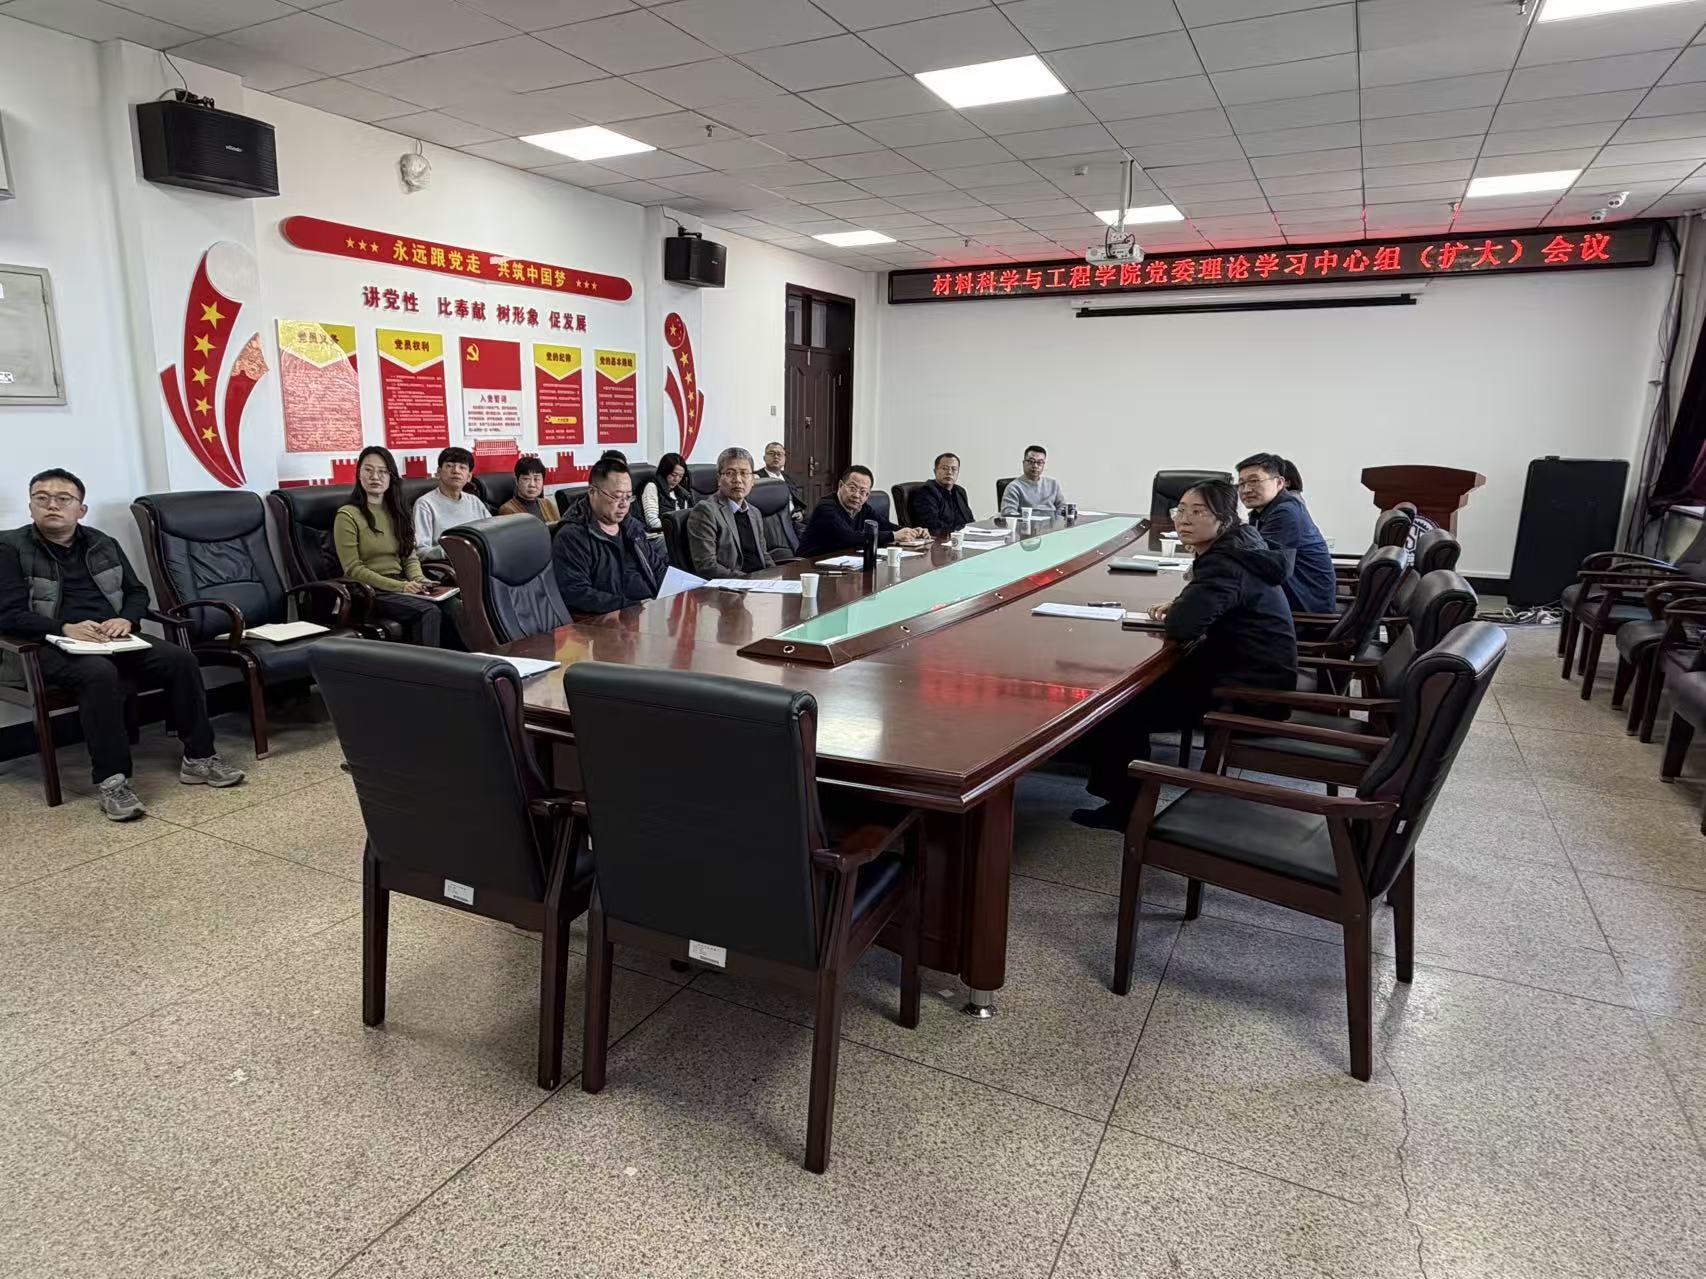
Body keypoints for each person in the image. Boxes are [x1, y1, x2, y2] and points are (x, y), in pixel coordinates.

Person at [0, 468, 245, 820]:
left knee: (180, 659)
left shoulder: (102, 543)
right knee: (98, 673)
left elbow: (136, 592)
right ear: (30, 506)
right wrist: (64, 627)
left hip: (111, 636)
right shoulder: (9, 548)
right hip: (47, 643)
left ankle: (199, 758)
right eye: (42, 498)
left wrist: (126, 620)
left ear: (81, 509)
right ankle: (112, 780)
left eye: (63, 499)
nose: (52, 505)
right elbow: (8, 615)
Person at [1072, 479, 1298, 830]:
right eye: (1180, 510)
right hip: (1255, 671)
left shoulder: (1225, 562)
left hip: (1246, 690)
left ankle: (1125, 808)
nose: (1184, 520)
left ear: (1224, 519)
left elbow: (1183, 626)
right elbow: (1207, 606)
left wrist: (1183, 608)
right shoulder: (1243, 544)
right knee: (1131, 693)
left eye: (1198, 512)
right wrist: (1184, 602)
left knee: (1119, 706)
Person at [333, 445, 455, 648]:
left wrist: (419, 579)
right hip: (369, 591)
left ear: (391, 477)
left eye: (382, 471)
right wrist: (402, 587)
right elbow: (353, 569)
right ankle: (428, 667)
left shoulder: (398, 512)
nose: (375, 477)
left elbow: (409, 556)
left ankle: (465, 662)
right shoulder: (347, 515)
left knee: (452, 605)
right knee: (428, 611)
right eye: (368, 470)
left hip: (400, 584)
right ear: (359, 474)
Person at [552, 457, 669, 616]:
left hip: (649, 611)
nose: (624, 504)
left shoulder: (632, 526)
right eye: (617, 496)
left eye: (628, 497)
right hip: (611, 620)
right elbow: (575, 592)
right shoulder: (572, 536)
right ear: (592, 492)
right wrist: (633, 607)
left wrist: (676, 592)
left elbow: (657, 568)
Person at [1236, 452, 1336, 614]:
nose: (1246, 490)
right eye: (1241, 483)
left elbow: (1262, 563)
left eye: (1254, 481)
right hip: (1293, 594)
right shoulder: (1262, 512)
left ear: (1280, 483)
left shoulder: (1285, 512)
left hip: (1305, 605)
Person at [797, 465, 929, 558]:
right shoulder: (826, 508)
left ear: (867, 495)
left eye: (863, 492)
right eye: (852, 488)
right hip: (811, 565)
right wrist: (894, 536)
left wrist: (912, 531)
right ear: (840, 486)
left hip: (844, 562)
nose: (856, 495)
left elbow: (886, 526)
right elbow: (848, 537)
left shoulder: (863, 508)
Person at [685, 446, 774, 579]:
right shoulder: (706, 511)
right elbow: (707, 566)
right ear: (719, 479)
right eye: (730, 473)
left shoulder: (754, 512)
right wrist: (748, 581)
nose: (737, 479)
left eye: (744, 473)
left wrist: (776, 576)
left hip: (759, 583)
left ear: (753, 480)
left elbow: (764, 555)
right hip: (732, 586)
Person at [412, 446, 490, 561]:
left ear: (469, 477)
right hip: (448, 565)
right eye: (449, 466)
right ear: (439, 472)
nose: (456, 471)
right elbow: (421, 551)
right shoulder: (425, 504)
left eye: (462, 467)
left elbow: (491, 534)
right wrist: (452, 551)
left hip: (480, 561)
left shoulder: (475, 501)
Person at [637, 451, 696, 540]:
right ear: (665, 472)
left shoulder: (682, 492)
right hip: (659, 536)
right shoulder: (652, 487)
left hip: (677, 533)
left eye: (680, 476)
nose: (676, 479)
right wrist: (676, 528)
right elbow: (652, 522)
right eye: (674, 475)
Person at [910, 452, 975, 533]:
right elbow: (933, 526)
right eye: (944, 468)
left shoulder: (960, 491)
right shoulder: (926, 492)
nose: (949, 472)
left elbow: (970, 520)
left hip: (963, 537)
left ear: (958, 472)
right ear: (935, 471)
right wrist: (958, 531)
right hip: (940, 538)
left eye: (954, 469)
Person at [1000, 444, 1067, 516]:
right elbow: (1008, 512)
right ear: (1024, 463)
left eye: (1039, 462)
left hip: (1051, 522)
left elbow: (1063, 507)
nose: (1035, 466)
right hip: (1026, 522)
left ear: (1043, 465)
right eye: (1031, 461)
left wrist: (1055, 518)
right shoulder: (1014, 487)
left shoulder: (1053, 484)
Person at [754, 440, 806, 525]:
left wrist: (798, 511)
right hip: (771, 523)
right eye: (771, 453)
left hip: (793, 520)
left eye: (779, 454)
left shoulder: (787, 478)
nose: (776, 457)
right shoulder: (757, 477)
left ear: (784, 459)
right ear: (764, 458)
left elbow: (796, 500)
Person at [497, 456, 560, 523]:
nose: (532, 485)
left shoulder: (547, 503)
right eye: (526, 479)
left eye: (537, 479)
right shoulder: (507, 509)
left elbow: (559, 526)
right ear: (516, 481)